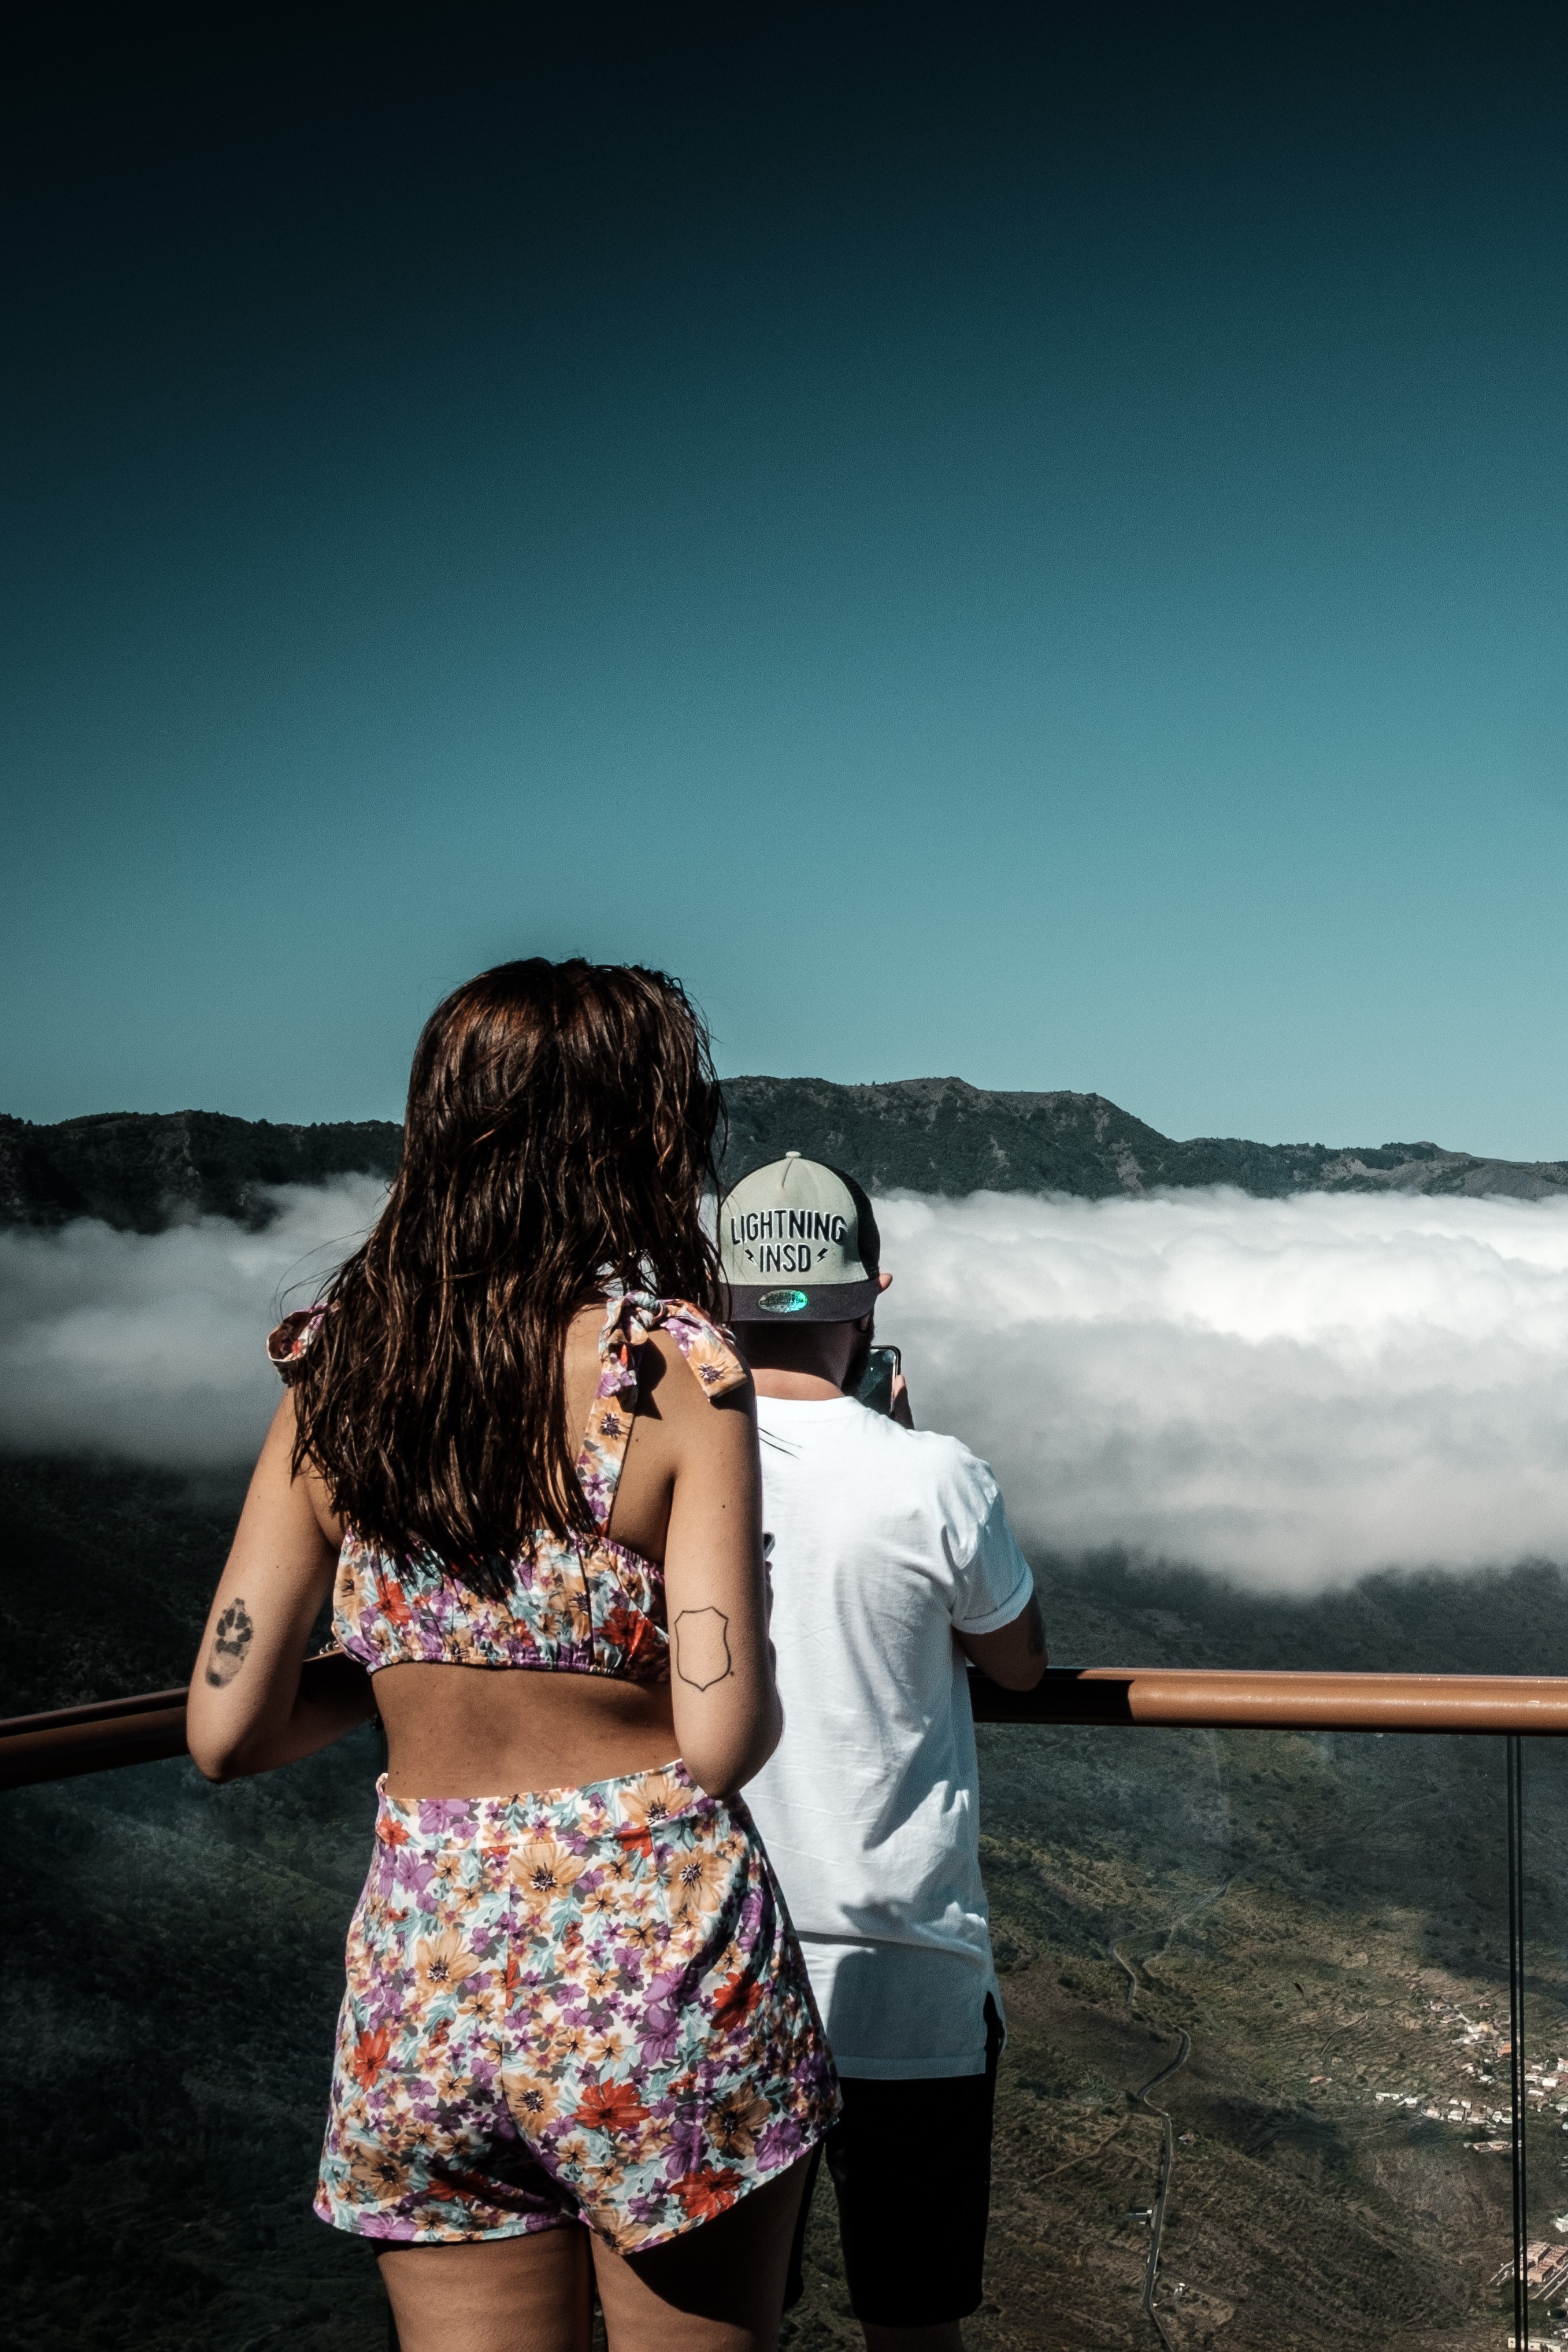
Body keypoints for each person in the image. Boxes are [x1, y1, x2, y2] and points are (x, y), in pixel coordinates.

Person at [186, 960, 834, 2352]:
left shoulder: (334, 1367)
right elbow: (720, 1738)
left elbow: (225, 1726)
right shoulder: (673, 1369)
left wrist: (414, 1669)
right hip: (651, 1972)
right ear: (642, 1134)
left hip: (426, 1979)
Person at [716, 1152, 1047, 2351]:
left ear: (721, 1302)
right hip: (909, 1972)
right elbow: (1016, 1660)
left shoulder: (658, 1477)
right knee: (912, 2321)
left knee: (725, 2316)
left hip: (720, 1963)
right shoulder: (932, 1476)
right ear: (873, 1300)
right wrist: (897, 1441)